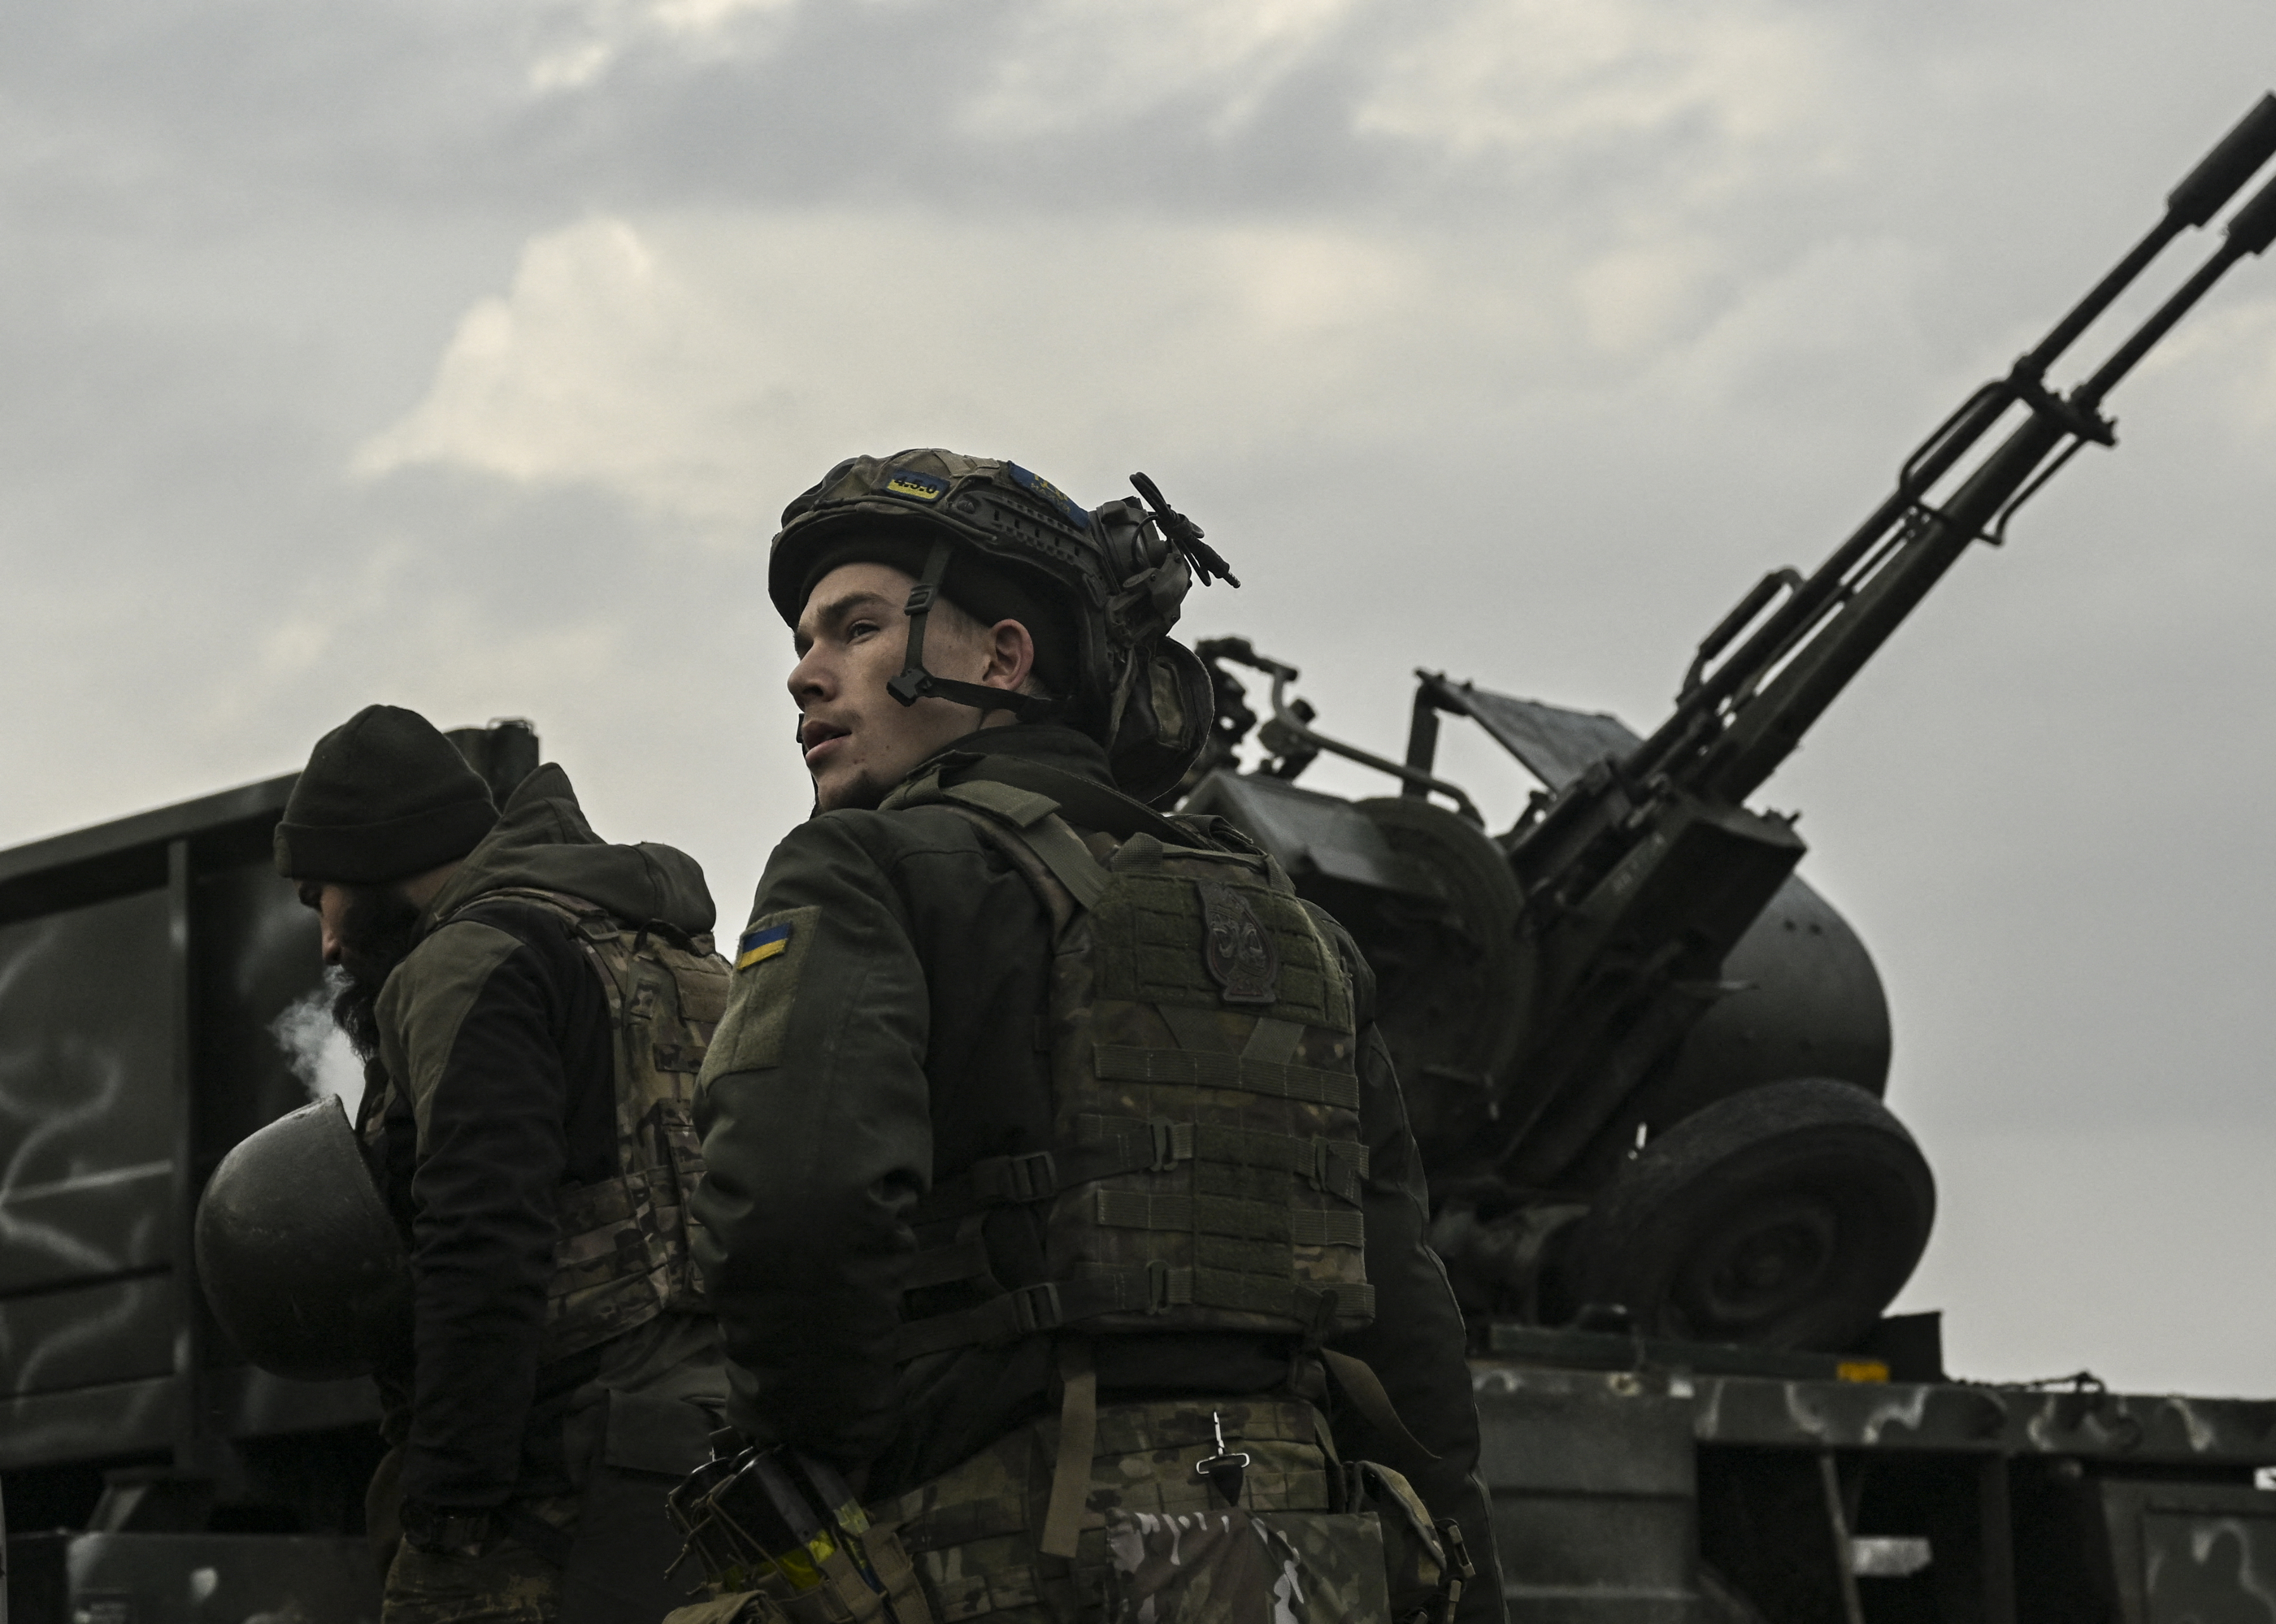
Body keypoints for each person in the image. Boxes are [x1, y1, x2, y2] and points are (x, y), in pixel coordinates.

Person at [690, 449, 1506, 1622]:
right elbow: (1405, 1319)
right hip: (1299, 1557)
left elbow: (792, 1206)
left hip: (999, 1544)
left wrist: (830, 1465)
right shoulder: (1300, 930)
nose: (806, 677)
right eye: (803, 645)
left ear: (1004, 656)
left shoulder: (863, 870)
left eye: (855, 629)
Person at [273, 706, 732, 1624]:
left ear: (376, 858)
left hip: (563, 1476)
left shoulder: (467, 959)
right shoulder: (662, 945)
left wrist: (445, 1502)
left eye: (320, 893)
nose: (326, 940)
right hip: (721, 1445)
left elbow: (482, 1234)